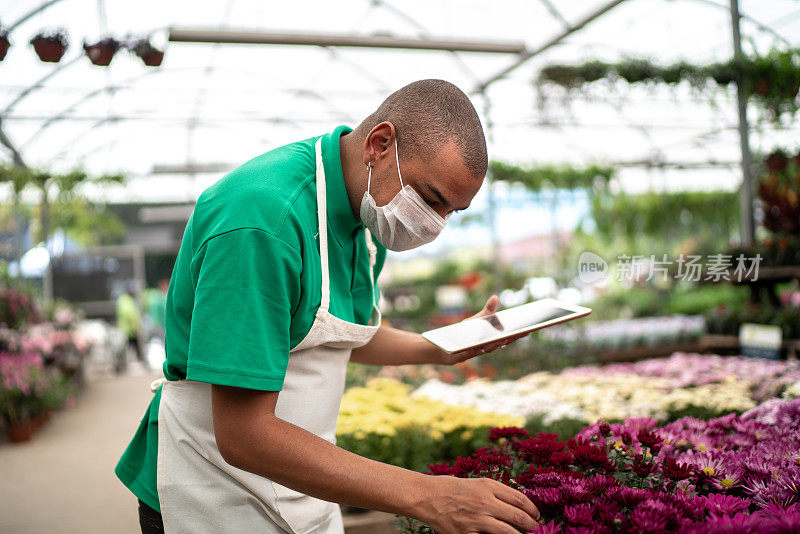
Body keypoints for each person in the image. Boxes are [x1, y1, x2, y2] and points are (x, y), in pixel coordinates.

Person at [115, 79, 539, 534]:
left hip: (302, 486)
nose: (434, 224)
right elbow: (243, 435)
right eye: (432, 199)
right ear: (380, 143)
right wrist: (429, 494)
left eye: (452, 212)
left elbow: (333, 335)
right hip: (214, 489)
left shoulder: (365, 211)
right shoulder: (262, 222)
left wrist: (443, 346)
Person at [116, 286, 142, 363]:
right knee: (133, 346)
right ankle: (134, 362)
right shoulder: (128, 301)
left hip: (124, 328)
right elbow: (130, 314)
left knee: (126, 348)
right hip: (130, 329)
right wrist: (136, 325)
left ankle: (125, 362)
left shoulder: (122, 300)